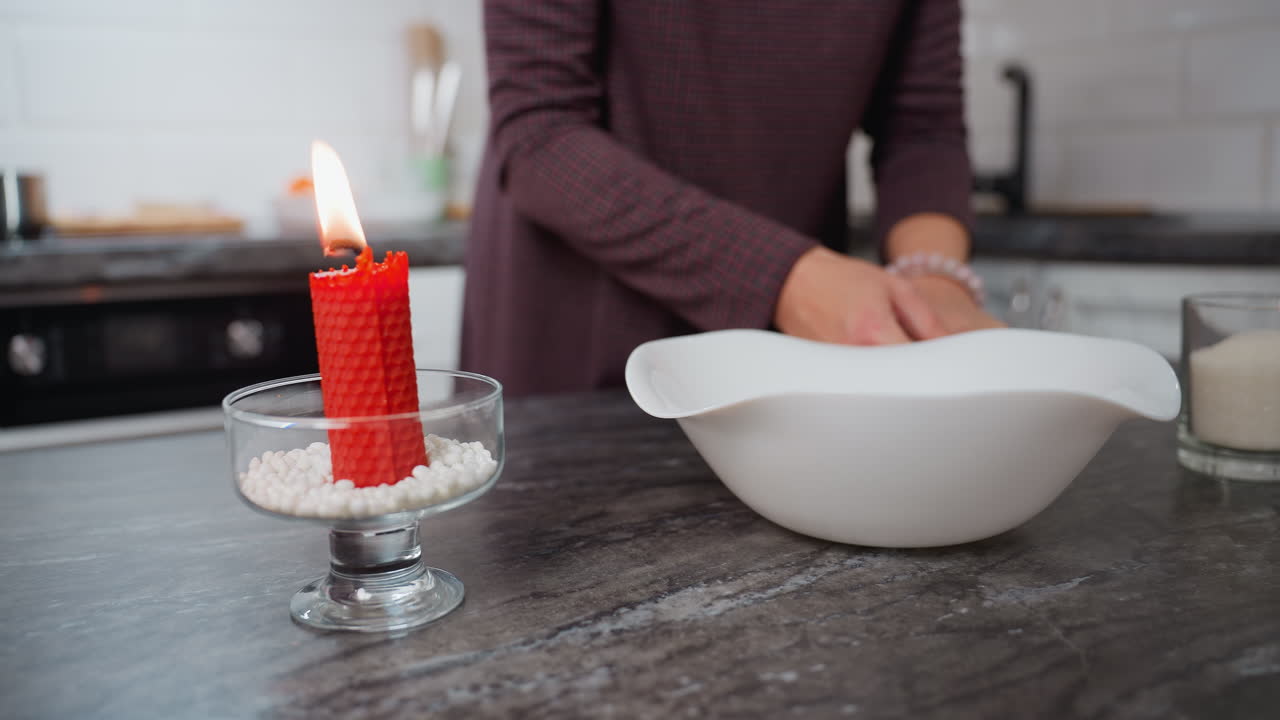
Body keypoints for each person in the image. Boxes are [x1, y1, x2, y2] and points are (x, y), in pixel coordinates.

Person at [462, 0, 1001, 397]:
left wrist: (932, 281)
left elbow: (923, 129)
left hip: (784, 355)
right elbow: (541, 136)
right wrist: (785, 280)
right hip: (578, 348)